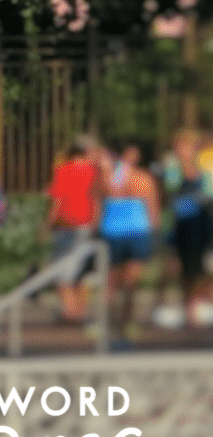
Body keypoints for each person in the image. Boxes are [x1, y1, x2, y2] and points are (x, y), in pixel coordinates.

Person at [100, 139, 161, 332]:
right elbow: (109, 193)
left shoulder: (144, 177)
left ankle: (126, 320)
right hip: (113, 231)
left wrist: (155, 229)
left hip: (138, 230)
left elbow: (152, 203)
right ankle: (109, 320)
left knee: (131, 280)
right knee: (111, 280)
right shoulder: (110, 175)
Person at [157, 129, 213, 325]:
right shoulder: (171, 169)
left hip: (201, 226)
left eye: (187, 146)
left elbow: (209, 194)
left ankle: (195, 304)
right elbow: (168, 192)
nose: (183, 150)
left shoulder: (205, 170)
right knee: (174, 269)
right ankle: (182, 305)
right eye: (180, 146)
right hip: (177, 228)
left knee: (201, 270)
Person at [46, 135, 102, 324]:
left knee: (61, 270)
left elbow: (57, 200)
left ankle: (69, 311)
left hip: (65, 224)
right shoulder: (93, 171)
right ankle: (80, 310)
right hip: (86, 225)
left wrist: (48, 223)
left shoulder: (62, 170)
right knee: (82, 270)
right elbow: (97, 199)